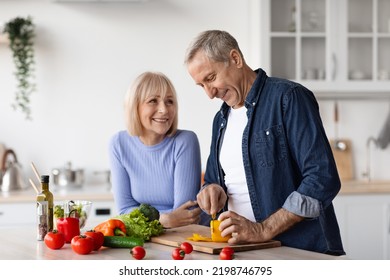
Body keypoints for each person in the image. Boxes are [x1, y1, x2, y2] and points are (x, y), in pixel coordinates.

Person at [184, 30, 345, 255]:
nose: (209, 94)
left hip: (298, 252)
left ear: (235, 59)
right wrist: (212, 190)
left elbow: (322, 178)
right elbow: (213, 179)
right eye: (201, 85)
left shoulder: (289, 97)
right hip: (245, 252)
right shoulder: (220, 120)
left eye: (210, 78)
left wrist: (262, 230)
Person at [109, 71, 202, 228]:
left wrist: (156, 220)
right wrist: (163, 220)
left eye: (169, 102)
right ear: (134, 107)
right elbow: (124, 210)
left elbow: (186, 215)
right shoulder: (119, 143)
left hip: (185, 237)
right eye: (153, 101)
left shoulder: (185, 141)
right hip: (151, 237)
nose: (164, 110)